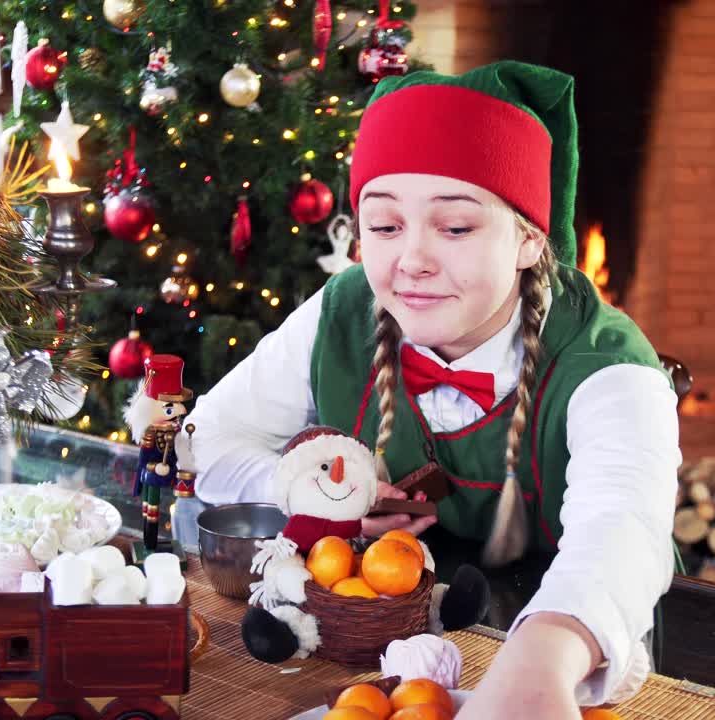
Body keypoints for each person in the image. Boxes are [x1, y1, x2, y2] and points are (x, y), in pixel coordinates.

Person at [186, 60, 681, 718]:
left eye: (454, 227)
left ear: (529, 239)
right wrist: (312, 495)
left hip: (573, 638)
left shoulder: (606, 365)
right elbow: (206, 438)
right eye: (386, 227)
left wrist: (543, 661)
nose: (411, 261)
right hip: (374, 637)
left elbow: (622, 526)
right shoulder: (345, 310)